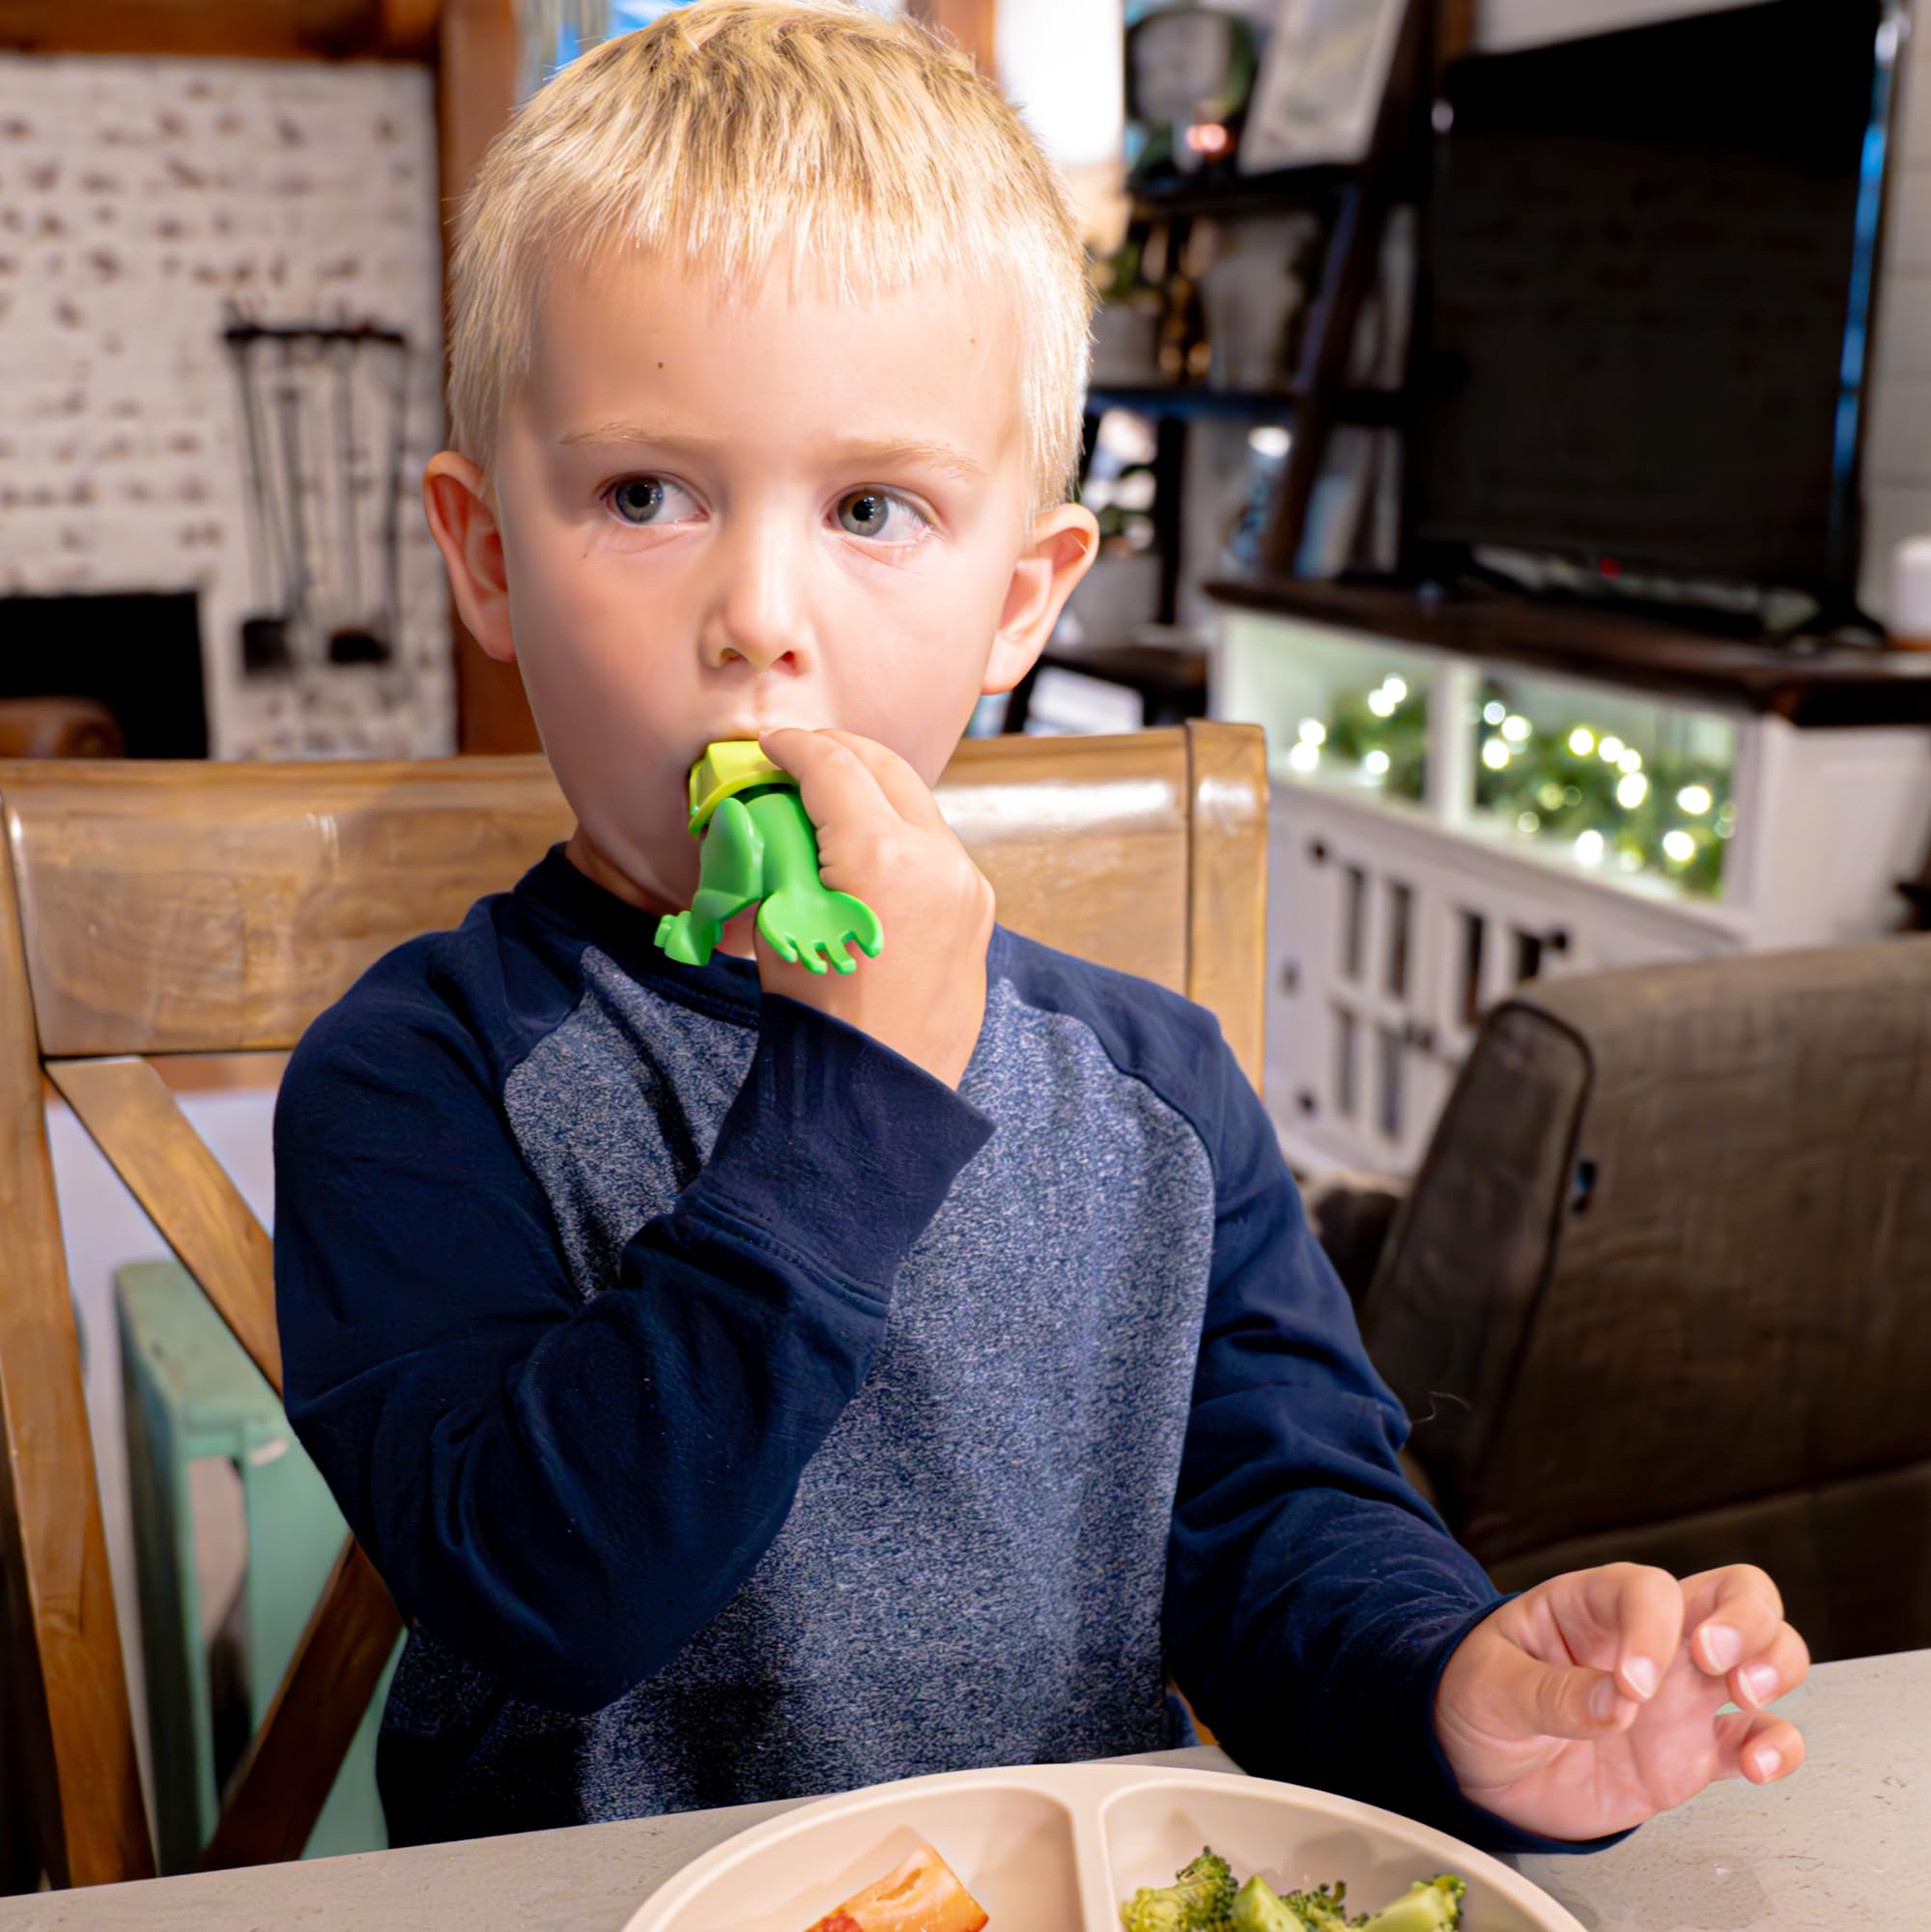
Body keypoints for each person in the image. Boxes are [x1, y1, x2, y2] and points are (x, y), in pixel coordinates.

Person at [273, 0, 1807, 1853]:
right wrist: (850, 1105)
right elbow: (552, 1592)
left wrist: (1458, 1692)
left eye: (871, 507)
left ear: (1022, 601)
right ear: (488, 554)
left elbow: (1280, 1527)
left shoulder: (1155, 1093)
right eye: (647, 494)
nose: (761, 616)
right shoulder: (413, 1081)